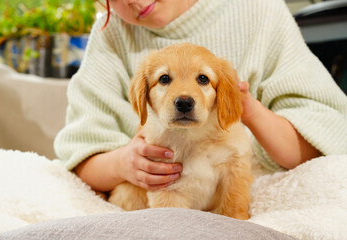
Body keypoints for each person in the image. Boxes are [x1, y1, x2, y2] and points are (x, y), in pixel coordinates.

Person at [54, 0, 347, 193]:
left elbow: (326, 138)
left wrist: (250, 112)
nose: (137, 2)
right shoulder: (111, 33)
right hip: (156, 205)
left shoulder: (260, 10)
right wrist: (123, 163)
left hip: (248, 191)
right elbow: (82, 156)